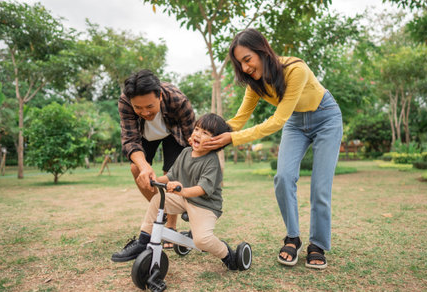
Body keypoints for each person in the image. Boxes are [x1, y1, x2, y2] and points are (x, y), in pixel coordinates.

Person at [203, 28, 343, 269]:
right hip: (296, 122)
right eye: (240, 63)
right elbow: (238, 120)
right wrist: (208, 134)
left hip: (326, 117)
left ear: (263, 51)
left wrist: (232, 139)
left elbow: (277, 121)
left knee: (320, 186)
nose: (245, 68)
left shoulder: (295, 69)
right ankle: (293, 237)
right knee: (283, 177)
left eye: (248, 59)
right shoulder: (254, 85)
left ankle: (317, 244)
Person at [112, 113, 241, 270]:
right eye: (197, 129)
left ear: (216, 142)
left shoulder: (212, 161)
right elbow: (171, 175)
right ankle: (143, 241)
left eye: (205, 133)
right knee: (157, 200)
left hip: (205, 205)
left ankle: (227, 254)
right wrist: (155, 180)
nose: (198, 134)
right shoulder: (186, 153)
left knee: (202, 241)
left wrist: (181, 190)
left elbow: (202, 189)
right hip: (185, 198)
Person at [114, 69, 195, 256]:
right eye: (138, 108)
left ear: (159, 96)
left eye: (149, 106)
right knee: (136, 168)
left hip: (173, 134)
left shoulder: (178, 101)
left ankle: (171, 227)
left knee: (170, 173)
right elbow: (129, 141)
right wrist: (144, 166)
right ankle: (163, 209)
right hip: (144, 136)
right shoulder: (126, 101)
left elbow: (192, 140)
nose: (145, 112)